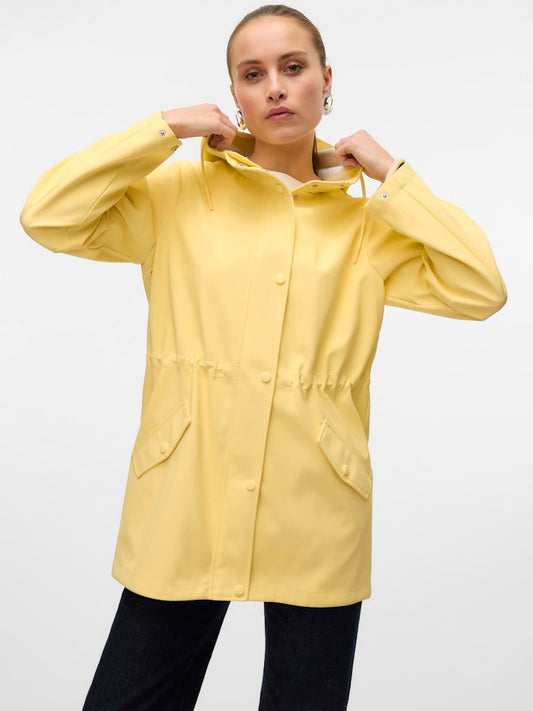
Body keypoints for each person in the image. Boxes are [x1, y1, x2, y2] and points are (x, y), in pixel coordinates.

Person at [19, 4, 507, 710]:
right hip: (186, 490)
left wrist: (393, 175)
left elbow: (481, 288)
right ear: (236, 95)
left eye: (292, 67)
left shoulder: (367, 222)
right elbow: (48, 215)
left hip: (316, 499)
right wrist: (164, 128)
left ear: (325, 81)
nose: (275, 86)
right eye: (253, 74)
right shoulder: (178, 195)